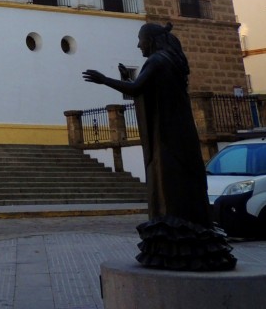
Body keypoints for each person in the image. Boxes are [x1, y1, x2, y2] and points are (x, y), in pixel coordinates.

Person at [83, 22, 235, 271]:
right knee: (182, 183)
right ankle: (195, 238)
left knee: (168, 185)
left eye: (140, 39)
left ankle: (174, 245)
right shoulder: (172, 62)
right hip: (180, 131)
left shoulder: (157, 61)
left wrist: (103, 80)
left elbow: (136, 88)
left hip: (166, 134)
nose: (138, 44)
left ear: (151, 40)